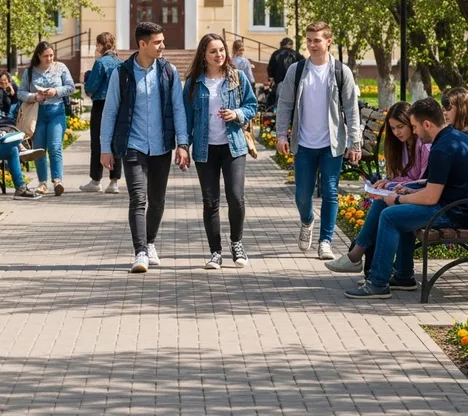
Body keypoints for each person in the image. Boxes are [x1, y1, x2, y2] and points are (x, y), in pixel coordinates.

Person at [344, 97, 468, 299]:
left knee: (390, 216)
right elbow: (435, 188)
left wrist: (399, 200)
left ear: (427, 124)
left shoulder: (442, 148)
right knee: (396, 212)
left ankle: (377, 283)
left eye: (415, 126)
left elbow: (430, 198)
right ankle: (403, 276)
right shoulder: (453, 138)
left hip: (456, 213)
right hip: (459, 207)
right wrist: (410, 193)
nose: (415, 132)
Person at [100, 22, 189, 273]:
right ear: (142, 44)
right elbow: (110, 112)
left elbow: (178, 109)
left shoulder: (169, 71)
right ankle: (139, 251)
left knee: (157, 201)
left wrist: (182, 144)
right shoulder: (122, 73)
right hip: (133, 146)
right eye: (158, 42)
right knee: (138, 199)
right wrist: (105, 148)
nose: (163, 46)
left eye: (162, 41)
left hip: (161, 147)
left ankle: (150, 243)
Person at [276, 21, 361, 261]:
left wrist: (354, 143)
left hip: (331, 144)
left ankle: (325, 241)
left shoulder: (340, 71)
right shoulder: (297, 70)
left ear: (328, 41)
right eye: (309, 40)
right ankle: (307, 220)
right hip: (303, 143)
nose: (312, 45)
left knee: (330, 192)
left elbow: (351, 109)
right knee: (303, 195)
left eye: (317, 40)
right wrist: (281, 133)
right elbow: (285, 104)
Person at [324, 101, 431, 282]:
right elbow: (405, 179)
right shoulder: (402, 146)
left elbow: (421, 182)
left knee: (389, 210)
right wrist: (387, 183)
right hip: (413, 196)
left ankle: (359, 257)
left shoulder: (424, 146)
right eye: (393, 128)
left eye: (401, 127)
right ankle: (402, 275)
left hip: (427, 200)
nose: (397, 132)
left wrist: (389, 186)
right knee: (388, 204)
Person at [184, 34, 258, 269]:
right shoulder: (194, 81)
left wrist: (237, 114)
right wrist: (183, 145)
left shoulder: (237, 77)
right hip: (205, 150)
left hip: (233, 146)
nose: (219, 55)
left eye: (221, 50)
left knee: (236, 198)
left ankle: (237, 242)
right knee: (210, 202)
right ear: (204, 55)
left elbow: (252, 105)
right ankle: (215, 252)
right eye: (213, 51)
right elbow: (186, 117)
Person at [19, 42, 76, 197]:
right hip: (37, 113)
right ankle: (42, 182)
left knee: (55, 146)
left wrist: (55, 91)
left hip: (56, 111)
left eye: (51, 55)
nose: (49, 58)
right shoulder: (30, 72)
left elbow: (71, 87)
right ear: (38, 56)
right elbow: (21, 92)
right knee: (40, 149)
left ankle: (58, 180)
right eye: (46, 56)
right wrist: (34, 96)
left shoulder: (61, 68)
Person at [80, 32, 124, 194]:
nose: (96, 47)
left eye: (97, 44)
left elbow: (91, 87)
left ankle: (96, 179)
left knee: (98, 141)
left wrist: (87, 77)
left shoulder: (100, 63)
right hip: (118, 105)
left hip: (101, 105)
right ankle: (114, 181)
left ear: (101, 45)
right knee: (115, 142)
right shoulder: (121, 63)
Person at [266, 37, 301, 108]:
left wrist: (271, 78)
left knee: (279, 102)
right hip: (294, 82)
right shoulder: (296, 54)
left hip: (280, 81)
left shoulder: (276, 54)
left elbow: (270, 68)